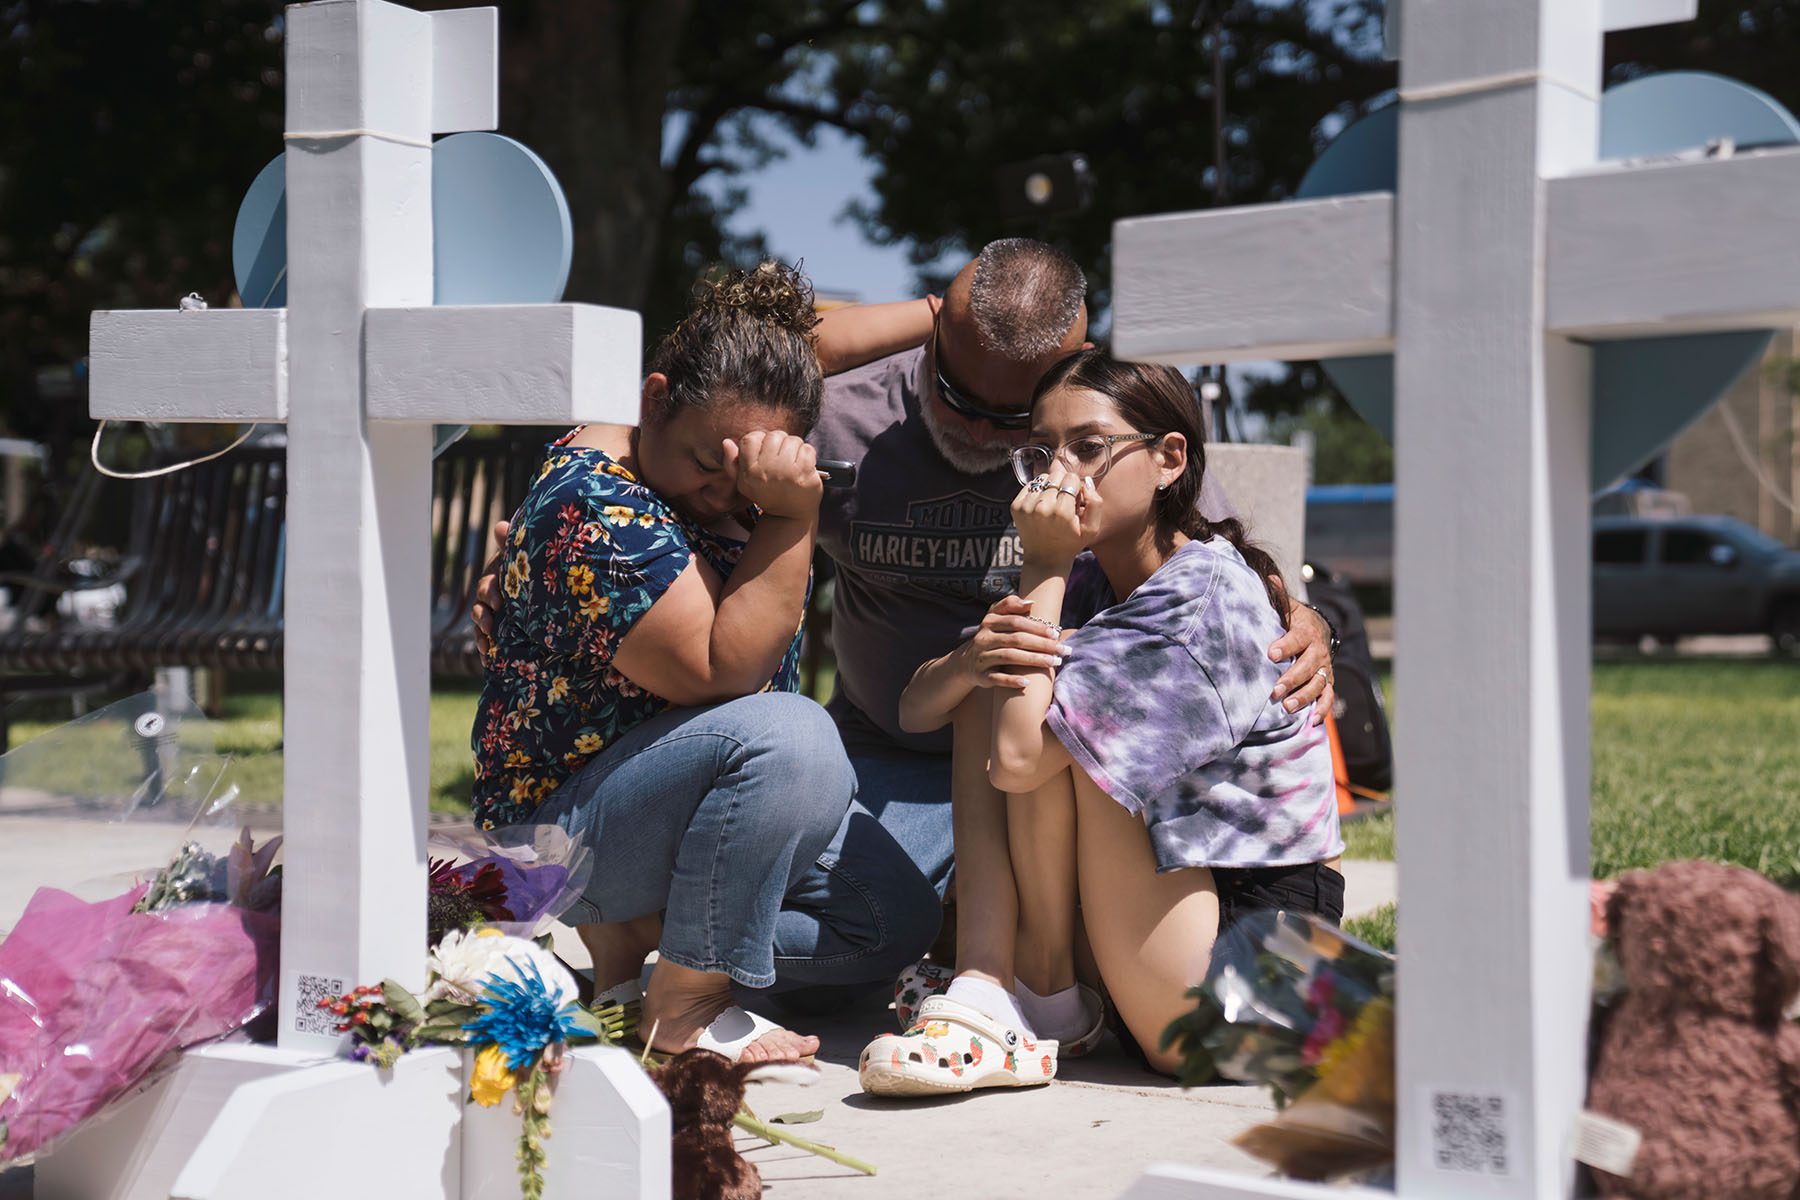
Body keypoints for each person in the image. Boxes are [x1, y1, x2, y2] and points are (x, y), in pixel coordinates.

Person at [476, 239, 1338, 1005]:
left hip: (1032, 761)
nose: (974, 428)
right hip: (881, 752)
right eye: (953, 386)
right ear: (930, 340)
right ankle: (677, 963)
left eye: (1012, 419)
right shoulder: (836, 419)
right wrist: (552, 556)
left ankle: (1004, 980)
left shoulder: (1094, 444)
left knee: (903, 915)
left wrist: (1306, 619)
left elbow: (1208, 558)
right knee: (872, 836)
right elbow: (736, 358)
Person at [474, 261, 941, 1063]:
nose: (723, 495)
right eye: (704, 464)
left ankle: (655, 948)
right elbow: (723, 670)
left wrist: (945, 311)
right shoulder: (597, 503)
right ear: (653, 398)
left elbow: (799, 349)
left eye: (746, 475)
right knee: (792, 737)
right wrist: (792, 514)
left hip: (670, 805)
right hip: (568, 838)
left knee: (891, 921)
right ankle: (684, 1004)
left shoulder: (724, 412)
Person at [859, 350, 1344, 1095]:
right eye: (1042, 453)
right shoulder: (1094, 579)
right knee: (998, 680)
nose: (1059, 476)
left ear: (1168, 459)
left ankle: (1039, 997)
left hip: (1248, 968)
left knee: (1055, 719)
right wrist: (969, 662)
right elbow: (919, 706)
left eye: (1088, 448)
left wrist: (1042, 565)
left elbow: (1021, 764)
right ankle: (998, 984)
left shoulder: (1195, 599)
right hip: (1161, 919)